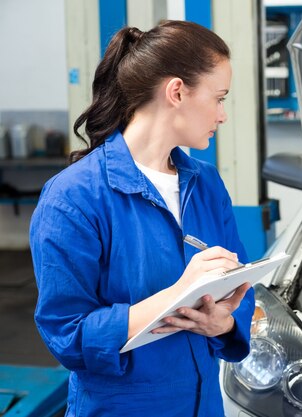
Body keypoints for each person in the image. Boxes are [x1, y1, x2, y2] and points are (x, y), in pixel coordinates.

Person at [30, 20, 254, 417]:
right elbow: (68, 335)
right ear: (177, 92)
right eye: (219, 98)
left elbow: (239, 283)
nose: (222, 115)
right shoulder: (73, 197)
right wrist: (177, 294)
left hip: (204, 405)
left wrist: (223, 322)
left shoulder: (205, 183)